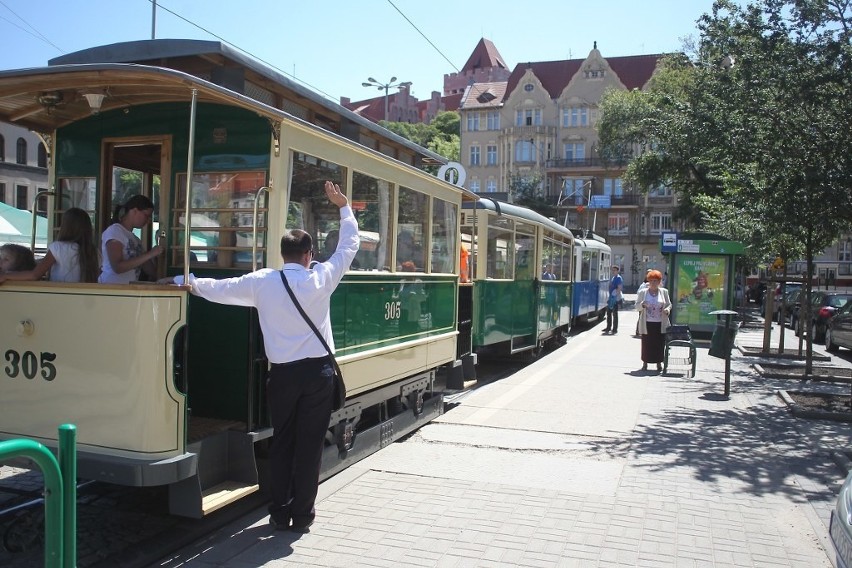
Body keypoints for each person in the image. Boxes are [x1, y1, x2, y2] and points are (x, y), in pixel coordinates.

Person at [169, 181, 358, 533]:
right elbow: (348, 247)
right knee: (310, 447)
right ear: (308, 254)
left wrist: (187, 280)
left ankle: (278, 511)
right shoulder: (322, 278)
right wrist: (343, 207)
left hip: (282, 376)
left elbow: (220, 290)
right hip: (317, 376)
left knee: (283, 441)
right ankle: (302, 515)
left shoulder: (263, 281)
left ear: (283, 254)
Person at [0, 208, 99, 284]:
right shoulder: (94, 252)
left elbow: (35, 275)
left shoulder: (58, 248)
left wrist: (5, 276)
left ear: (65, 227)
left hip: (60, 296)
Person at [99, 194, 164, 284]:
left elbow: (149, 269)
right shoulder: (115, 231)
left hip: (128, 289)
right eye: (146, 215)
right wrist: (150, 254)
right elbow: (117, 267)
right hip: (112, 289)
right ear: (134, 211)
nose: (148, 220)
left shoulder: (135, 239)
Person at [636, 269, 673, 373]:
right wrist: (642, 305)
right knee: (646, 344)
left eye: (656, 281)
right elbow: (637, 306)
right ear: (648, 281)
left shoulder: (664, 292)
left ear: (659, 282)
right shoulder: (643, 292)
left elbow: (669, 304)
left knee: (659, 344)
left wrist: (667, 309)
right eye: (651, 280)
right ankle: (645, 363)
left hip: (660, 323)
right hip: (647, 323)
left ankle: (659, 364)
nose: (653, 283)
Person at [604, 265, 623, 334]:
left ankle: (614, 329)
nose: (613, 271)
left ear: (617, 271)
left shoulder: (618, 278)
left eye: (614, 270)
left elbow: (619, 288)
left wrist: (614, 296)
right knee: (609, 313)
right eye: (612, 270)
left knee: (614, 314)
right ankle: (608, 327)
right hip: (611, 297)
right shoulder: (613, 278)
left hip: (615, 298)